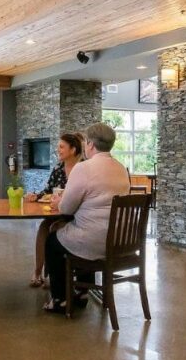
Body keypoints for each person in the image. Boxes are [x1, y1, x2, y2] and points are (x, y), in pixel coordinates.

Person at [44, 122, 132, 312]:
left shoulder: (83, 168)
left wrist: (58, 202)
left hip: (95, 242)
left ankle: (60, 299)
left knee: (53, 242)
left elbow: (67, 209)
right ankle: (82, 292)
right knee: (82, 233)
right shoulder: (121, 169)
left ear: (90, 144)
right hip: (119, 241)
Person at [29, 133, 84, 287]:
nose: (57, 150)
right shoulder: (58, 168)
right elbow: (48, 190)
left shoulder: (84, 168)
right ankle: (37, 271)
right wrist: (36, 195)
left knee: (53, 228)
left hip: (78, 216)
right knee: (44, 227)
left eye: (61, 147)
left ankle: (53, 274)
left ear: (72, 149)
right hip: (59, 212)